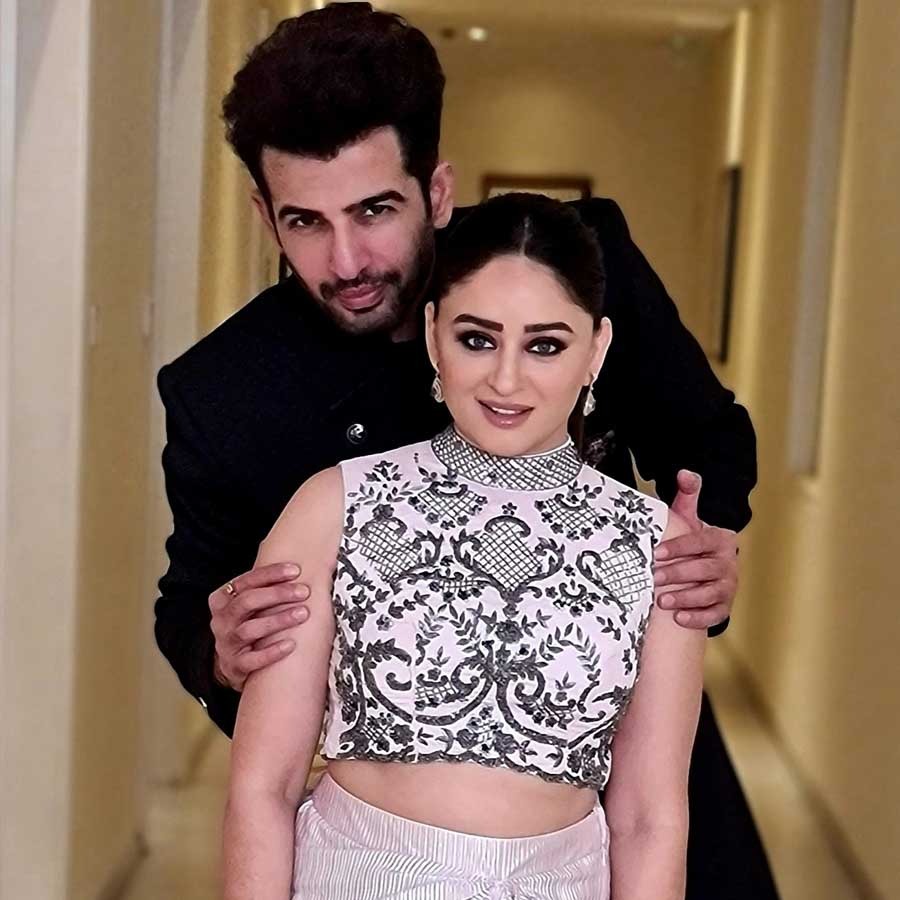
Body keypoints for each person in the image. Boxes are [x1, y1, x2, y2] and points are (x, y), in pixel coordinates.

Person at [156, 4, 776, 897]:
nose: (347, 260)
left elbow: (708, 438)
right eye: (305, 223)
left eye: (375, 210)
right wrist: (221, 647)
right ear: (265, 214)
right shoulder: (224, 391)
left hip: (602, 742)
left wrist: (703, 555)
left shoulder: (565, 262)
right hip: (370, 828)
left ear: (437, 192)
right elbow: (188, 604)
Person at [223, 192, 706, 900]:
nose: (506, 379)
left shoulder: (653, 543)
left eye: (545, 345)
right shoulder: (335, 506)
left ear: (596, 350)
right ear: (432, 334)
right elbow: (263, 787)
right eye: (477, 339)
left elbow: (649, 819)